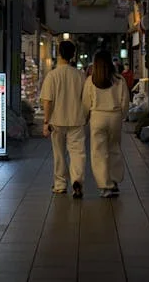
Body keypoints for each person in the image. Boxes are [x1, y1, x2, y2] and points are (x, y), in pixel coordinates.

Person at [40, 40, 87, 198]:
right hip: (77, 119)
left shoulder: (52, 75)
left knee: (59, 153)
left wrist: (46, 122)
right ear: (73, 55)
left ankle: (60, 185)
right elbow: (86, 99)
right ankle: (77, 182)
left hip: (57, 121)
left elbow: (48, 100)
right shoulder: (80, 75)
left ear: (59, 53)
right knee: (77, 153)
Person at [82, 50, 130, 198]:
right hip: (114, 116)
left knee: (99, 152)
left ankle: (105, 186)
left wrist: (86, 118)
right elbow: (125, 101)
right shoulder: (119, 79)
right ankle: (114, 180)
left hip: (97, 117)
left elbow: (85, 103)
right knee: (114, 148)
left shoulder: (91, 80)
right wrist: (121, 115)